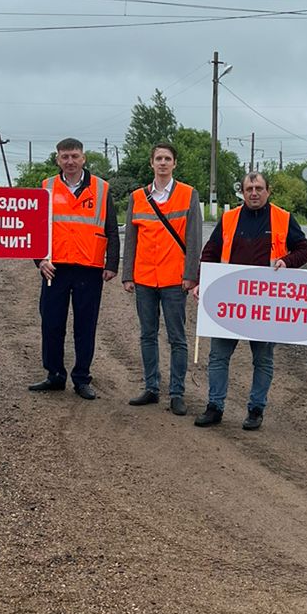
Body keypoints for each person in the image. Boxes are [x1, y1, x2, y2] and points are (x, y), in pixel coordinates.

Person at [193, 170, 307, 431]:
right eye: (249, 189)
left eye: (259, 188)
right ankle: (215, 406)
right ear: (242, 192)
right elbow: (210, 253)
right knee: (218, 357)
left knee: (263, 360)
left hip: (265, 304)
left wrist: (286, 261)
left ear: (268, 191)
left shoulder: (283, 218)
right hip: (230, 301)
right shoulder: (229, 218)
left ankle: (256, 410)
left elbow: (304, 250)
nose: (254, 193)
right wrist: (203, 281)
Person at [29, 138, 119, 399]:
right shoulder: (46, 187)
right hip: (54, 268)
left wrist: (111, 263)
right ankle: (54, 375)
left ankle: (82, 378)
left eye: (75, 156)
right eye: (65, 156)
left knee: (85, 326)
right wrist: (40, 261)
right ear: (57, 159)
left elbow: (111, 228)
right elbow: (35, 228)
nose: (70, 161)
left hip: (89, 268)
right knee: (52, 324)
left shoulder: (101, 188)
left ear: (84, 158)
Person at [121, 141, 203, 416]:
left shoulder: (188, 194)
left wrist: (191, 274)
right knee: (147, 335)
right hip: (144, 277)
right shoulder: (137, 197)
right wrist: (127, 274)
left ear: (174, 163)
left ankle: (177, 393)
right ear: (152, 163)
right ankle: (151, 388)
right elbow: (131, 239)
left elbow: (194, 238)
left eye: (168, 158)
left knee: (177, 338)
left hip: (174, 279)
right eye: (159, 158)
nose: (163, 163)